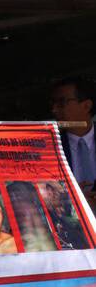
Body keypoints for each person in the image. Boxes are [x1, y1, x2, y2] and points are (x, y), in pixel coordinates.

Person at [52, 76, 96, 205]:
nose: (54, 110)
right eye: (53, 103)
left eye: (61, 102)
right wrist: (70, 198)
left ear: (86, 106)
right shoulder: (50, 147)